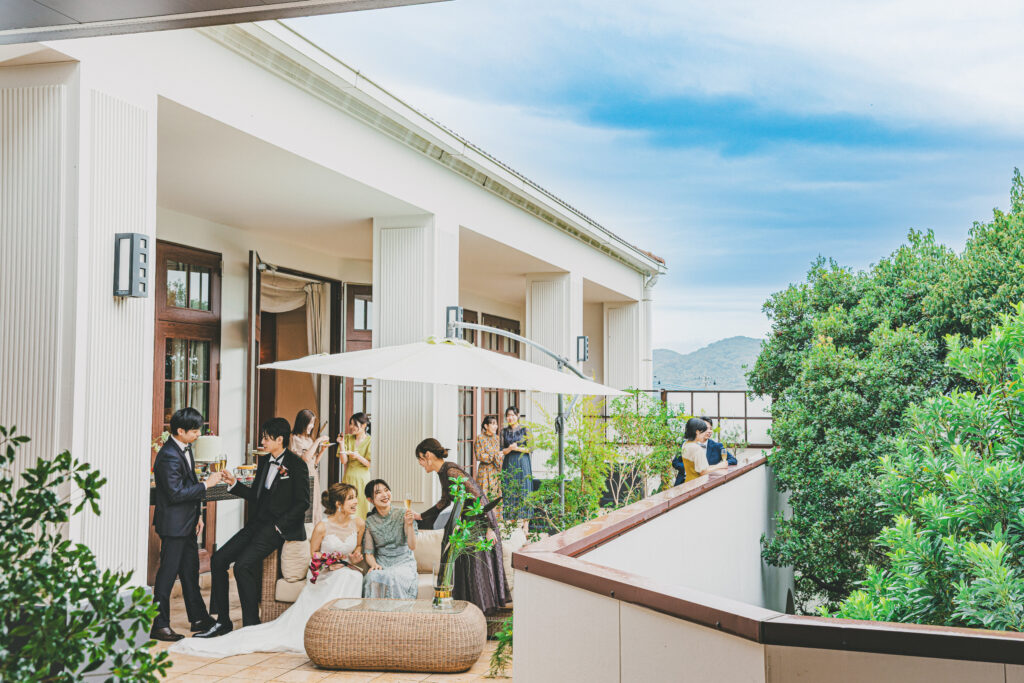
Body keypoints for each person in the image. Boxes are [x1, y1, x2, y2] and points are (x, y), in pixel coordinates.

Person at [172, 483, 364, 657]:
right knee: (345, 577)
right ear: (338, 504)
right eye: (351, 498)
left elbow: (357, 548)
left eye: (355, 497)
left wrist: (354, 557)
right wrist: (329, 563)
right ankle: (327, 625)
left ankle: (345, 628)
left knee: (353, 576)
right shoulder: (322, 527)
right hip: (325, 572)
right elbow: (314, 555)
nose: (356, 502)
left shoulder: (359, 524)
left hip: (346, 569)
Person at [193, 417, 310, 638]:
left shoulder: (297, 465)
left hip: (276, 528)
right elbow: (255, 495)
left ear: (280, 439)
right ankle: (223, 622)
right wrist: (234, 484)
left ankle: (251, 625)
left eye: (266, 438)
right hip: (257, 524)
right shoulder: (265, 462)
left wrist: (278, 527)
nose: (262, 442)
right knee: (218, 560)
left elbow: (303, 503)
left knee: (242, 566)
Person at [414, 438, 510, 616]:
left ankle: (479, 616)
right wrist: (421, 516)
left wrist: (489, 527)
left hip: (479, 521)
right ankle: (467, 613)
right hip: (468, 522)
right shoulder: (443, 472)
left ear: (428, 455)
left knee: (475, 570)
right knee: (465, 567)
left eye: (420, 459)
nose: (420, 463)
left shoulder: (451, 471)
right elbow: (444, 502)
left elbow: (478, 496)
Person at [150, 407, 222, 642]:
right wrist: (206, 485)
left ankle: (198, 618)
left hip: (188, 523)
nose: (198, 434)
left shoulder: (185, 448)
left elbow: (187, 484)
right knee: (167, 575)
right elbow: (175, 493)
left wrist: (198, 515)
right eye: (194, 431)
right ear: (180, 431)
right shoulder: (168, 455)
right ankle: (160, 625)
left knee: (190, 573)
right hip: (173, 526)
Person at [362, 479, 419, 600]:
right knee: (371, 577)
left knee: (392, 576)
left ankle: (396, 612)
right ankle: (373, 612)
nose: (384, 494)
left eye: (386, 490)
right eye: (378, 492)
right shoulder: (370, 522)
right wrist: (374, 565)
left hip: (403, 562)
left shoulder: (403, 513)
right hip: (382, 564)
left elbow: (412, 546)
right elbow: (369, 553)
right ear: (370, 500)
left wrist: (409, 524)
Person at [290, 409, 329, 525]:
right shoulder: (294, 438)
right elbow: (305, 458)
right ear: (302, 422)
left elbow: (314, 463)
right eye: (310, 423)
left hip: (312, 475)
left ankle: (313, 532)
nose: (311, 426)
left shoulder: (309, 439)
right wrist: (318, 441)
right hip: (302, 477)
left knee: (315, 505)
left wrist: (322, 451)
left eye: (313, 423)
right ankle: (304, 532)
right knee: (305, 506)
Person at [499, 406, 531, 532]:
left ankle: (525, 526)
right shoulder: (503, 431)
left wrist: (517, 448)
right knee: (509, 490)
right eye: (508, 415)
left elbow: (530, 448)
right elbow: (502, 450)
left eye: (512, 415)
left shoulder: (525, 429)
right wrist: (510, 449)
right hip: (509, 462)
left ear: (517, 415)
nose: (510, 418)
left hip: (523, 462)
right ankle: (511, 524)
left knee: (524, 490)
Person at [671, 418, 727, 486]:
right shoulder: (696, 448)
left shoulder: (685, 444)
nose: (705, 434)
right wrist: (720, 466)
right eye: (703, 431)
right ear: (697, 432)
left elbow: (699, 467)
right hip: (697, 485)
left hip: (688, 483)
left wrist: (716, 466)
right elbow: (703, 472)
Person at [337, 412, 372, 518]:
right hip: (348, 478)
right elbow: (344, 461)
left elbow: (369, 464)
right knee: (347, 506)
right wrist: (341, 444)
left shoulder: (370, 441)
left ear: (364, 425)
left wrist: (358, 456)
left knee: (362, 507)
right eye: (350, 424)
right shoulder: (347, 438)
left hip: (362, 480)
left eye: (354, 424)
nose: (351, 427)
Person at [473, 416, 503, 521]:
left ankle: (494, 521)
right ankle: (483, 521)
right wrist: (493, 456)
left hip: (495, 471)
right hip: (484, 471)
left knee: (494, 496)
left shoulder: (497, 438)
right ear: (486, 426)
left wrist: (498, 458)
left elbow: (499, 455)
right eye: (493, 424)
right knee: (483, 495)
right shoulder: (480, 438)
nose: (496, 426)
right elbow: (479, 455)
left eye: (496, 424)